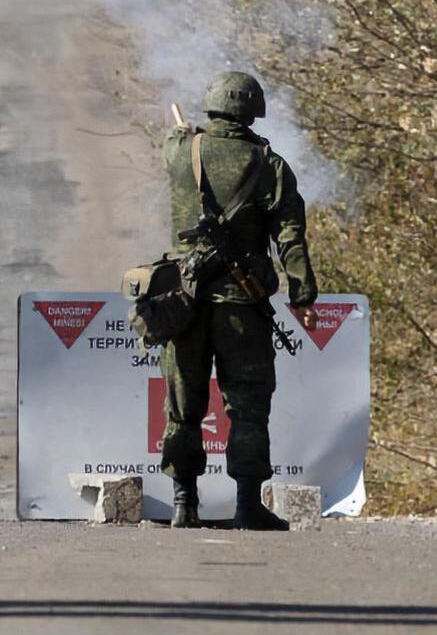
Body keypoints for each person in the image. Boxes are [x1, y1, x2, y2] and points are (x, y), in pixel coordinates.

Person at [161, 72, 318, 531]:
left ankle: (183, 503)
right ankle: (248, 506)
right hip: (242, 307)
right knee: (247, 406)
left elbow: (174, 137)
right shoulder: (270, 165)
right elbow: (290, 237)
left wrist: (184, 133)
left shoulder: (179, 151)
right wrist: (302, 292)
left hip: (183, 302)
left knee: (183, 404)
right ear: (253, 112)